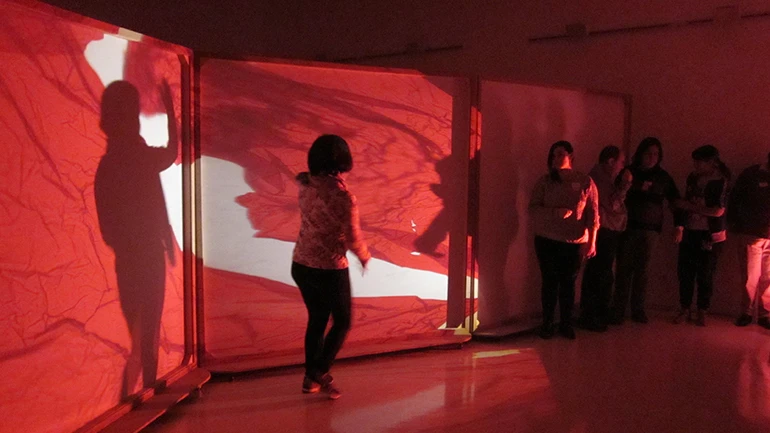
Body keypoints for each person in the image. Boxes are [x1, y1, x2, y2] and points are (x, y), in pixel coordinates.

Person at [291, 134, 371, 399]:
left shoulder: (305, 185)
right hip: (329, 268)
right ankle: (318, 372)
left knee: (317, 319)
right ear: (342, 160)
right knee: (343, 321)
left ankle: (310, 378)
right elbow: (353, 237)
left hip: (301, 264)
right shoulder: (343, 197)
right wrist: (365, 256)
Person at [529, 141, 599, 339]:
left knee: (569, 283)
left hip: (574, 242)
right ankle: (548, 323)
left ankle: (566, 324)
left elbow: (593, 215)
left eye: (560, 154)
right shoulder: (545, 182)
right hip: (547, 240)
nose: (557, 158)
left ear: (571, 156)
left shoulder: (585, 181)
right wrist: (554, 213)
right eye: (553, 155)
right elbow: (533, 208)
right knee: (549, 282)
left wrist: (592, 241)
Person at [611, 137, 680, 324]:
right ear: (640, 153)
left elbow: (675, 200)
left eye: (656, 154)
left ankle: (638, 309)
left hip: (651, 230)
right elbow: (616, 191)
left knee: (643, 271)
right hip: (627, 227)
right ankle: (618, 310)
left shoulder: (663, 177)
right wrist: (637, 186)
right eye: (649, 153)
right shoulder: (629, 172)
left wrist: (679, 225)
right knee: (624, 268)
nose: (652, 157)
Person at [673, 145, 729, 326]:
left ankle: (702, 309)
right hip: (690, 230)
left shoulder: (721, 181)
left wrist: (691, 207)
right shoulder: (693, 178)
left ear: (711, 162)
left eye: (699, 161)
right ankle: (685, 308)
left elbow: (718, 211)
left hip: (710, 234)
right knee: (685, 271)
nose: (695, 165)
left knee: (706, 273)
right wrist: (680, 226)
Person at [578, 146, 632, 332]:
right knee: (600, 273)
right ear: (610, 161)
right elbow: (613, 205)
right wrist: (625, 185)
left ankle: (594, 313)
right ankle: (592, 315)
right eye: (621, 162)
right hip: (603, 232)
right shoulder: (599, 179)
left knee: (600, 272)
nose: (622, 166)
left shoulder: (602, 178)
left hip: (605, 231)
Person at [727, 152, 770, 330]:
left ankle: (764, 313)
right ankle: (747, 312)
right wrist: (736, 223)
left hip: (763, 233)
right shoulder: (751, 175)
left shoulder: (752, 174)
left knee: (767, 277)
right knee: (750, 277)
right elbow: (736, 199)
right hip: (751, 233)